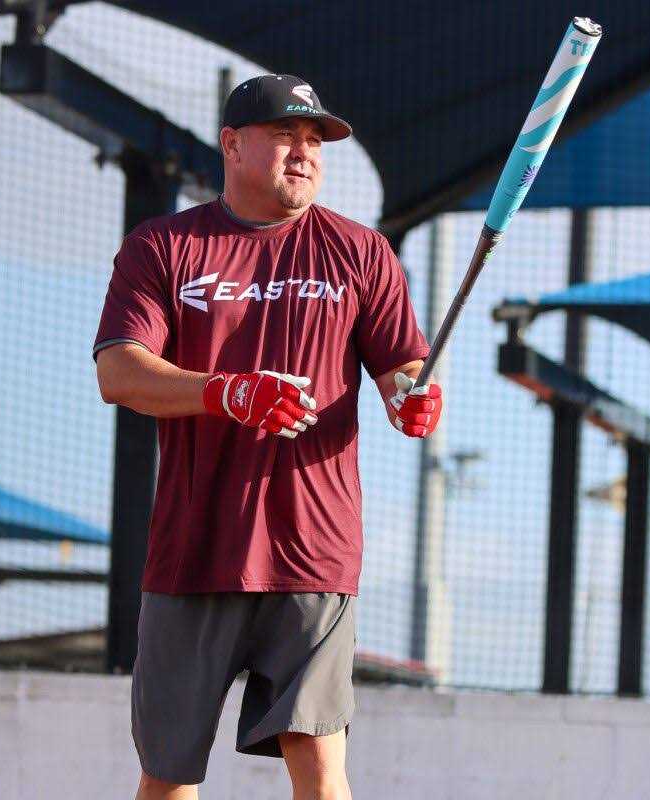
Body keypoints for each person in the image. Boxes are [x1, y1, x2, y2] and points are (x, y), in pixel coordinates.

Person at [93, 74, 442, 800]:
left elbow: (402, 370)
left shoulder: (362, 252)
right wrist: (228, 392)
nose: (304, 152)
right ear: (231, 145)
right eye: (285, 135)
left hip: (314, 550)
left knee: (319, 765)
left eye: (315, 139)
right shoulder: (163, 246)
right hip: (193, 551)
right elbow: (119, 372)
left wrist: (413, 397)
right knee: (168, 775)